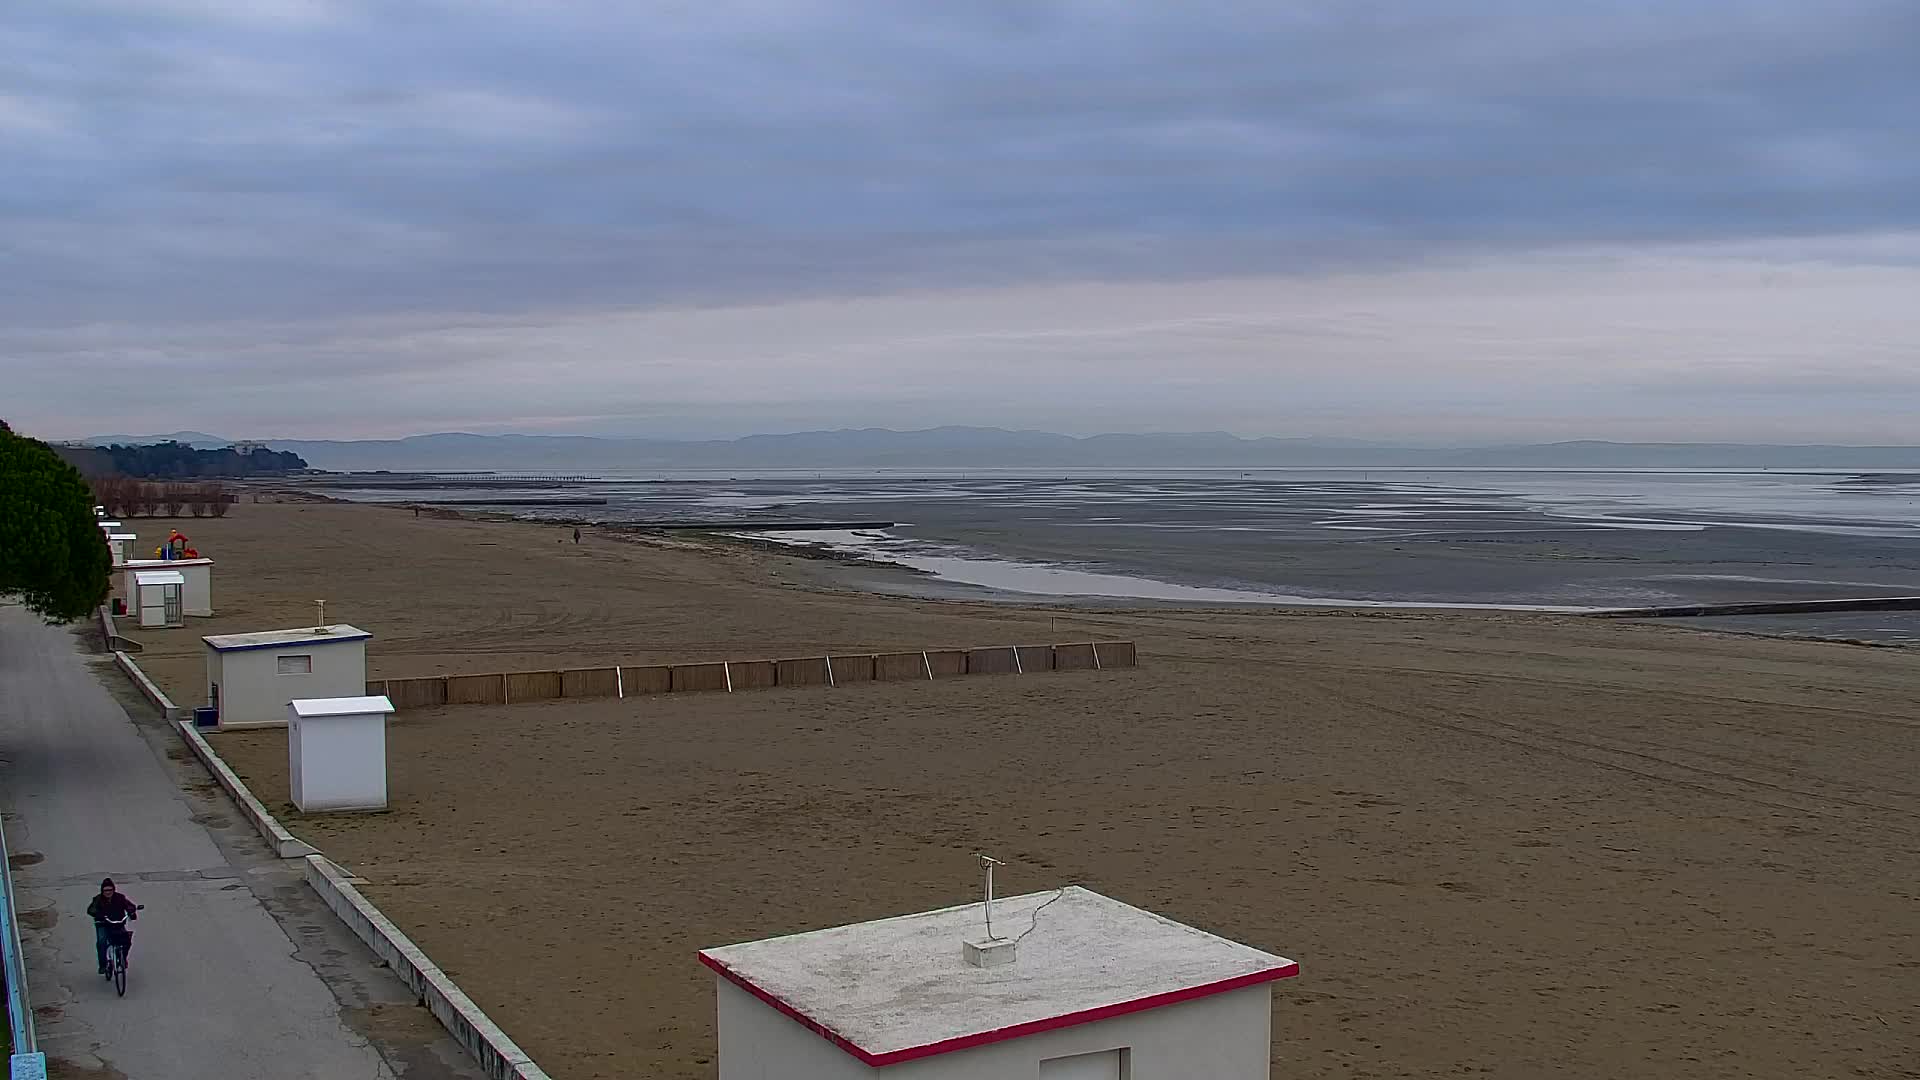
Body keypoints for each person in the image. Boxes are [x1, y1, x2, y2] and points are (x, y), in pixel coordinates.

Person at [87, 878, 138, 975]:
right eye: (106, 890)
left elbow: (129, 906)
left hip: (117, 923)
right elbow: (91, 909)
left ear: (113, 889)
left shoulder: (120, 898)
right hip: (103, 924)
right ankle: (103, 965)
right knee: (102, 942)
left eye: (110, 890)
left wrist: (131, 911)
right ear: (102, 891)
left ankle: (122, 958)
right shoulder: (98, 899)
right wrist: (98, 914)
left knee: (126, 941)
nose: (108, 892)